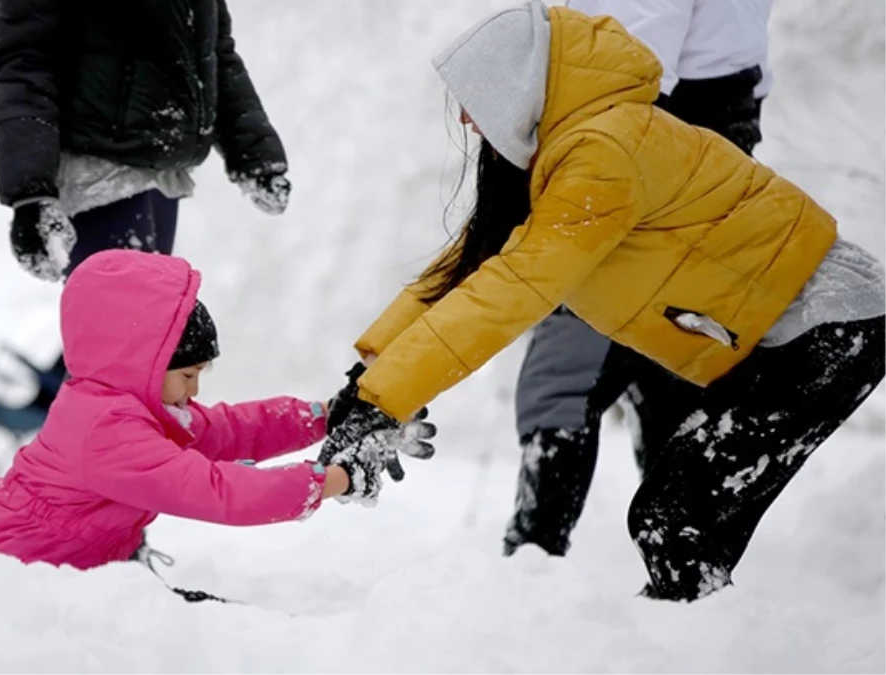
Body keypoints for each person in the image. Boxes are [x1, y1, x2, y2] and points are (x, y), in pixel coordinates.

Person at [321, 1, 886, 602]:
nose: (464, 118)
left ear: (515, 91)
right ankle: (698, 641)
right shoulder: (571, 152)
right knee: (677, 515)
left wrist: (382, 403)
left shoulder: (604, 155)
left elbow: (509, 291)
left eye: (474, 99)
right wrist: (372, 377)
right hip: (790, 335)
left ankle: (697, 650)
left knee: (672, 516)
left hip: (829, 327)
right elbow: (469, 269)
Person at [0, 250, 435, 601]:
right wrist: (341, 479)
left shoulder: (128, 407)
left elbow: (229, 431)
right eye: (188, 375)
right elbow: (215, 490)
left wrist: (329, 414)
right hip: (1, 583)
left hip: (62, 575)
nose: (196, 391)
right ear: (142, 360)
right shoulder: (106, 430)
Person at [507, 0, 776, 558]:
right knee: (673, 370)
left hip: (649, 151)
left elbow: (631, 61)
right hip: (707, 144)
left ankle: (533, 561)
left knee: (568, 371)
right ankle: (685, 571)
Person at [0, 0, 292, 282]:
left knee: (149, 331)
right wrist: (30, 192)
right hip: (96, 176)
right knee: (119, 328)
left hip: (162, 173)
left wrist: (255, 152)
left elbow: (213, 51)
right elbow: (25, 61)